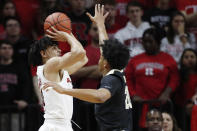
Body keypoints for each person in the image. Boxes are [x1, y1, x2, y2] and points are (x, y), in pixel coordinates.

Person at [43, 4, 133, 131]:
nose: (99, 59)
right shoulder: (118, 71)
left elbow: (100, 96)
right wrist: (100, 24)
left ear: (106, 63)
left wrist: (64, 90)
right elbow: (106, 48)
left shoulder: (111, 79)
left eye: (101, 58)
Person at [28, 25, 88, 131]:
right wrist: (67, 35)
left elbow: (84, 59)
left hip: (62, 125)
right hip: (55, 125)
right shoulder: (50, 64)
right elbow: (80, 53)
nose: (59, 50)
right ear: (43, 53)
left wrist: (70, 35)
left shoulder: (59, 70)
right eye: (54, 48)